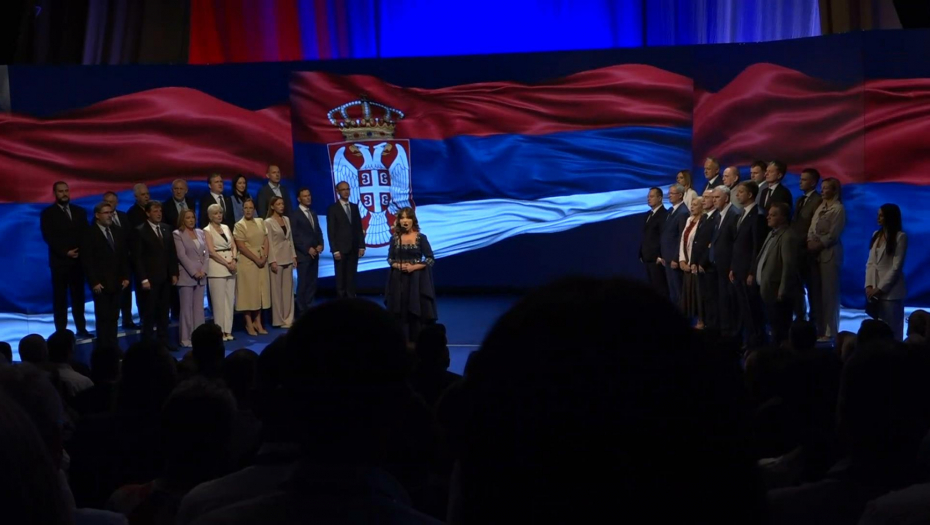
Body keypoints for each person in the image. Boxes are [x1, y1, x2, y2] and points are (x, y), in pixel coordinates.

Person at [40, 181, 91, 337]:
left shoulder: (79, 212)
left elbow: (86, 235)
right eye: (61, 191)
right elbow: (48, 236)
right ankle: (61, 332)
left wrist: (81, 252)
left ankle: (81, 328)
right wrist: (65, 252)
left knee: (78, 298)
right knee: (60, 299)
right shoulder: (48, 213)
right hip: (60, 263)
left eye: (66, 191)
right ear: (55, 193)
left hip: (78, 262)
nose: (64, 194)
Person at [82, 201, 130, 349]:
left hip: (117, 282)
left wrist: (126, 276)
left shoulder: (117, 231)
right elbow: (88, 260)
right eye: (106, 213)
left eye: (111, 213)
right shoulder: (89, 233)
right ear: (97, 215)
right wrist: (94, 281)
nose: (110, 216)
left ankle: (113, 348)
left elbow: (123, 256)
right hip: (100, 284)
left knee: (114, 317)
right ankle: (104, 350)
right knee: (103, 318)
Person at [385, 207, 437, 341]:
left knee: (414, 309)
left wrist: (413, 267)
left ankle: (417, 340)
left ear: (413, 220)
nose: (405, 221)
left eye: (408, 218)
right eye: (402, 218)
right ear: (399, 221)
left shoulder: (421, 238)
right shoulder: (395, 238)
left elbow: (430, 259)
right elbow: (390, 259)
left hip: (416, 280)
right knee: (399, 310)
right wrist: (398, 265)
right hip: (398, 279)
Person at [134, 201, 179, 348]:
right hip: (150, 280)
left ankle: (163, 342)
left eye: (160, 211)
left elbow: (171, 253)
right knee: (149, 313)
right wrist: (143, 279)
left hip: (165, 278)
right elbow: (138, 258)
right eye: (155, 211)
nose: (159, 214)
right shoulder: (140, 231)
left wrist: (174, 273)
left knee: (164, 312)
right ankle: (147, 345)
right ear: (147, 213)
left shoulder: (166, 228)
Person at [753, 202, 798, 346]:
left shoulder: (787, 236)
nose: (768, 217)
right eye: (769, 214)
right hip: (766, 290)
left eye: (773, 215)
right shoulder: (771, 233)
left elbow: (788, 266)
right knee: (771, 327)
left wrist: (782, 290)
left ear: (783, 217)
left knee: (780, 330)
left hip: (777, 292)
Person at [730, 181, 768, 346]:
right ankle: (746, 339)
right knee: (743, 308)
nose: (737, 195)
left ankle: (757, 341)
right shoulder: (742, 213)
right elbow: (737, 243)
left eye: (740, 192)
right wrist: (733, 267)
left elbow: (756, 247)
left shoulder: (758, 215)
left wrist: (752, 271)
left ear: (750, 194)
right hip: (738, 269)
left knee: (752, 309)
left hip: (748, 271)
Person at [807, 177, 845, 341]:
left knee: (830, 294)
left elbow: (833, 234)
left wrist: (819, 244)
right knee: (818, 294)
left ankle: (831, 331)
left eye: (826, 188)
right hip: (816, 255)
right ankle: (820, 328)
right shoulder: (820, 207)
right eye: (821, 188)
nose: (822, 191)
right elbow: (812, 227)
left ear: (834, 190)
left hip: (829, 254)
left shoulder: (838, 209)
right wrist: (810, 241)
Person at [865, 203, 908, 341]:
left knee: (893, 330)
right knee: (879, 331)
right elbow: (871, 263)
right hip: (875, 293)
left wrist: (880, 288)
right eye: (878, 215)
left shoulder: (900, 237)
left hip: (891, 292)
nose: (878, 218)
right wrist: (869, 286)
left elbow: (896, 267)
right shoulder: (876, 235)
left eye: (882, 216)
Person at [234, 199, 271, 335]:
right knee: (248, 293)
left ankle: (258, 322)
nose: (248, 210)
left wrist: (264, 257)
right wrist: (257, 259)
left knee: (259, 292)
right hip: (247, 262)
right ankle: (249, 323)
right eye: (246, 208)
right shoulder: (239, 225)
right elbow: (241, 247)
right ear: (242, 209)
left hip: (261, 260)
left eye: (250, 208)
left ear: (254, 209)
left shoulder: (260, 222)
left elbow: (266, 240)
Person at [792, 168, 823, 325]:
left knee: (813, 288)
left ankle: (814, 322)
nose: (800, 182)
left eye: (804, 179)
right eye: (800, 179)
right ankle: (800, 318)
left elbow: (814, 226)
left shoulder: (818, 200)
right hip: (796, 250)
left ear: (813, 182)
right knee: (796, 287)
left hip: (809, 251)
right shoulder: (799, 200)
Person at [173, 209, 208, 348]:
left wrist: (204, 270)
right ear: (182, 219)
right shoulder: (177, 234)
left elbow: (206, 254)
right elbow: (181, 256)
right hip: (187, 276)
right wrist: (194, 272)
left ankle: (200, 337)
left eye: (193, 217)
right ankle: (186, 339)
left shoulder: (200, 232)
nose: (191, 220)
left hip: (202, 275)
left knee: (199, 309)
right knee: (186, 310)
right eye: (188, 218)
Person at [102, 191, 137, 329]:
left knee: (127, 292)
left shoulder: (123, 216)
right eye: (106, 202)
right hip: (109, 265)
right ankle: (112, 324)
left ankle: (127, 320)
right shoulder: (100, 219)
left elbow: (130, 236)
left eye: (111, 202)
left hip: (125, 261)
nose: (109, 204)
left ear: (117, 203)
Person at [710, 185, 741, 335]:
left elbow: (736, 242)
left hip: (728, 266)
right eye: (713, 198)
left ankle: (732, 331)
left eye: (717, 197)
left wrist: (733, 266)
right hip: (718, 265)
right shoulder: (718, 215)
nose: (713, 200)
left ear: (727, 198)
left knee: (730, 300)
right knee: (721, 299)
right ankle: (723, 328)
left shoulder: (734, 214)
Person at [204, 204, 237, 342]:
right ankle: (220, 331)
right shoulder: (207, 230)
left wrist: (234, 260)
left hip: (231, 265)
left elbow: (233, 245)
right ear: (210, 216)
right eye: (216, 213)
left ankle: (228, 330)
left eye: (220, 213)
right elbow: (211, 251)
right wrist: (226, 263)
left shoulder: (226, 227)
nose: (219, 215)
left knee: (229, 300)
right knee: (218, 302)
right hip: (217, 267)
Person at [327, 181, 365, 298]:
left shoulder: (354, 207)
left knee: (351, 277)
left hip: (353, 248)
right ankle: (341, 302)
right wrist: (335, 250)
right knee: (340, 278)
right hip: (340, 249)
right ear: (338, 191)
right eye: (343, 189)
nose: (346, 191)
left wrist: (361, 246)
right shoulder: (333, 209)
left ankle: (351, 300)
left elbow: (359, 228)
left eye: (347, 189)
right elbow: (331, 231)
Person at [291, 188, 324, 314]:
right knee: (303, 283)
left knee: (312, 282)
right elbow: (294, 236)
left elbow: (318, 231)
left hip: (315, 254)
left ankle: (310, 307)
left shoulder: (313, 213)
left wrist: (321, 244)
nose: (308, 198)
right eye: (305, 196)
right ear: (299, 199)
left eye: (309, 195)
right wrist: (306, 248)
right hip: (303, 255)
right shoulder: (295, 215)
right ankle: (301, 310)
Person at [265, 197, 297, 329]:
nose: (281, 206)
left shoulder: (286, 219)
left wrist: (294, 256)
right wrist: (272, 260)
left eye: (282, 203)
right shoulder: (268, 222)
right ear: (272, 206)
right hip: (276, 260)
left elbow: (290, 239)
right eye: (278, 204)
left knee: (288, 291)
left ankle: (288, 318)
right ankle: (278, 320)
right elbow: (269, 242)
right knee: (276, 292)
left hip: (288, 257)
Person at [659, 183, 689, 305]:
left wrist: (676, 258)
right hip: (667, 257)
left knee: (678, 291)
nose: (669, 195)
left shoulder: (683, 212)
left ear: (680, 195)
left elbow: (681, 237)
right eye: (669, 193)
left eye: (672, 193)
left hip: (674, 259)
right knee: (672, 291)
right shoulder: (671, 211)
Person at [679, 196, 704, 327]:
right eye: (692, 204)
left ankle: (702, 320)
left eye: (695, 205)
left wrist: (693, 261)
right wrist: (682, 260)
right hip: (687, 262)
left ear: (702, 206)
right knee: (689, 294)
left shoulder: (703, 221)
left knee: (699, 294)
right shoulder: (689, 220)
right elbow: (683, 241)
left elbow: (698, 244)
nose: (692, 207)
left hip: (695, 263)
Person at [639, 187, 668, 297]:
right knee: (652, 291)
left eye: (651, 196)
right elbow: (646, 236)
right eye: (648, 196)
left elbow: (663, 236)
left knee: (660, 290)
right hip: (647, 258)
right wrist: (641, 253)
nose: (648, 199)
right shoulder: (648, 214)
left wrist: (660, 255)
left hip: (657, 260)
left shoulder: (664, 214)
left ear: (659, 198)